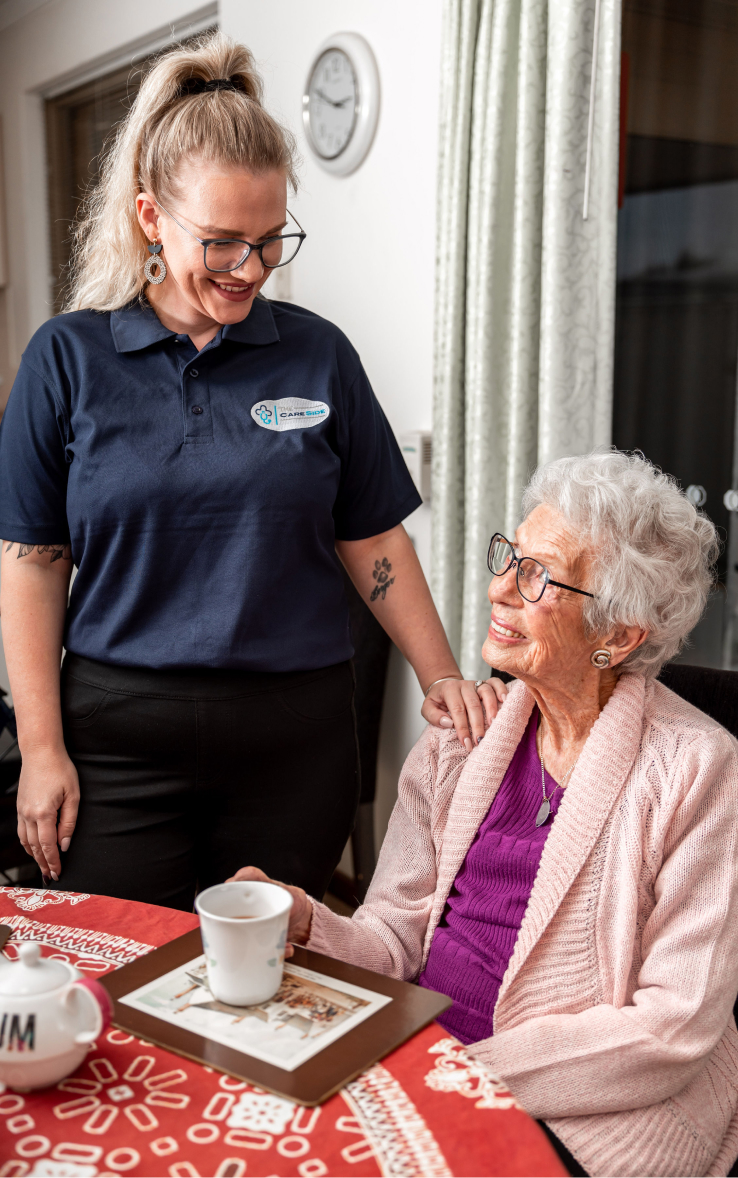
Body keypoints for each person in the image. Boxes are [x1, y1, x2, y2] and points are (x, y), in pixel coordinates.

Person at [0, 32, 506, 909]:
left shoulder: (319, 356)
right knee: (120, 987)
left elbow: (372, 536)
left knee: (272, 1000)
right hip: (116, 744)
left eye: (271, 241)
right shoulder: (66, 359)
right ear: (152, 216)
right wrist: (41, 748)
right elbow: (35, 563)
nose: (250, 270)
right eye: (223, 242)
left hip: (294, 745)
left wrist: (443, 676)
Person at [233, 450, 738, 1178]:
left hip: (591, 1107)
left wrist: (456, 1074)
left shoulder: (696, 767)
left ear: (618, 636)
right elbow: (394, 938)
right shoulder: (461, 739)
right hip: (417, 1061)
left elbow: (672, 1027)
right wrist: (314, 925)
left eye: (537, 576)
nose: (498, 586)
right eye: (511, 555)